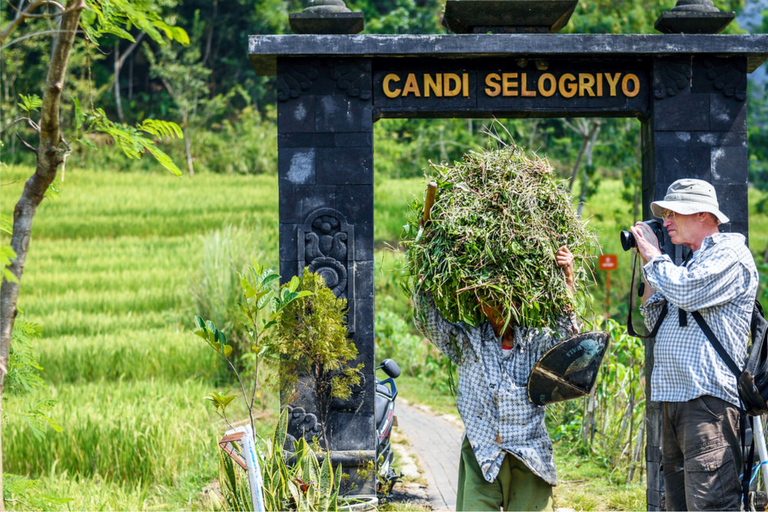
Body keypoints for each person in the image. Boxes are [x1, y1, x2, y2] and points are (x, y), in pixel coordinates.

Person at [414, 246, 579, 511]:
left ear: (520, 299)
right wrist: (427, 259)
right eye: (490, 297)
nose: (499, 305)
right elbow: (428, 320)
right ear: (479, 301)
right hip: (483, 449)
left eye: (506, 297)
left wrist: (567, 282)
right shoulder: (467, 342)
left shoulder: (536, 341)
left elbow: (568, 340)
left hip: (529, 452)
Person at [629, 178, 758, 511]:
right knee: (679, 506)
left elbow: (687, 292)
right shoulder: (686, 263)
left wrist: (656, 256)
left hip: (708, 403)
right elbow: (651, 314)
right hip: (675, 399)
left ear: (703, 214)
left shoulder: (730, 253)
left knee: (710, 505)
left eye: (674, 213)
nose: (667, 222)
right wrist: (648, 263)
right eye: (666, 214)